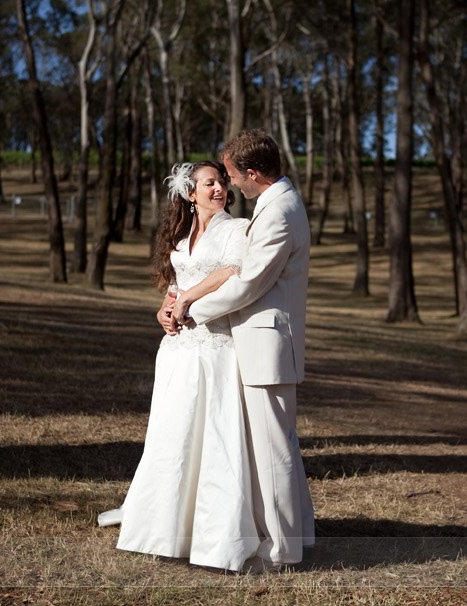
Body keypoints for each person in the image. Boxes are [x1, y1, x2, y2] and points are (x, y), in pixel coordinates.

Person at [98, 161, 259, 573]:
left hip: (215, 348)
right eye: (210, 183)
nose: (220, 188)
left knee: (213, 437)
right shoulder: (184, 236)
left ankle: (213, 534)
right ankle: (161, 525)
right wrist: (166, 308)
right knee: (173, 432)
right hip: (178, 349)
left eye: (222, 182)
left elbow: (232, 270)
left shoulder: (235, 229)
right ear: (191, 193)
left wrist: (187, 299)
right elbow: (175, 283)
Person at [172, 129, 315, 567]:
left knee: (275, 454)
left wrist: (191, 308)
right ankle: (297, 535)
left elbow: (251, 282)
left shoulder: (279, 213)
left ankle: (282, 550)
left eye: (233, 176)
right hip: (259, 345)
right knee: (276, 450)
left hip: (267, 348)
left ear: (253, 174)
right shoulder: (275, 205)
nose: (230, 185)